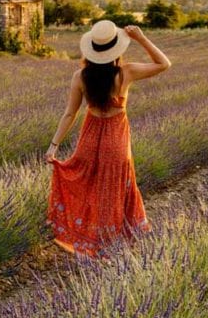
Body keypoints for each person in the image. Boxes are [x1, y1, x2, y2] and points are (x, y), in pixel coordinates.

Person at [45, 20, 171, 256]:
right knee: (114, 191)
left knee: (88, 187)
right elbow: (164, 64)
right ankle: (111, 246)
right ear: (117, 49)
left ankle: (89, 242)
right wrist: (141, 38)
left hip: (89, 139)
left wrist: (53, 146)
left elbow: (70, 114)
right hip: (116, 141)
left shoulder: (80, 76)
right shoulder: (126, 72)